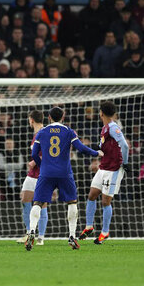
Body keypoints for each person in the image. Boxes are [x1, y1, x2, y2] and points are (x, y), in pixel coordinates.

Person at [25, 107, 103, 251]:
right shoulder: (69, 131)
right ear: (63, 116)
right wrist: (96, 153)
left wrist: (43, 166)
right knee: (72, 202)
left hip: (46, 173)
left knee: (37, 202)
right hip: (64, 173)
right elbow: (81, 148)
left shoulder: (41, 132)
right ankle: (72, 236)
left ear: (49, 117)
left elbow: (35, 154)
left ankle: (31, 232)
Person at [79, 101, 129, 244]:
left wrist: (125, 163)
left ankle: (105, 232)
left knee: (106, 201)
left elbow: (124, 145)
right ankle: (89, 226)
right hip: (103, 167)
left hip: (113, 169)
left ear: (101, 112)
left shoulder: (113, 127)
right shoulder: (105, 128)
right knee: (92, 194)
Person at [17, 110, 49, 246]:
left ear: (31, 120)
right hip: (33, 174)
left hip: (42, 173)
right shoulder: (37, 134)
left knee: (42, 204)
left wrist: (34, 162)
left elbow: (46, 152)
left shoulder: (42, 133)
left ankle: (40, 236)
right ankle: (30, 233)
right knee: (25, 199)